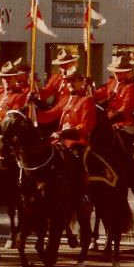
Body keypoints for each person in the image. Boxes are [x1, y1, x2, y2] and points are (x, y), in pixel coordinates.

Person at [33, 67, 96, 204]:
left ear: (81, 82)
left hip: (77, 142)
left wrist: (64, 133)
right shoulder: (65, 100)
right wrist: (33, 107)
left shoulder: (86, 101)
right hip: (59, 142)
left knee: (78, 161)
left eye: (74, 81)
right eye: (68, 81)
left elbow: (86, 126)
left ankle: (83, 194)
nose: (70, 84)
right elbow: (47, 116)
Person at [93, 54, 134, 131]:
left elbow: (125, 109)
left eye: (119, 72)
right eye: (116, 71)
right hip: (108, 120)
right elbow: (97, 95)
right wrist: (88, 88)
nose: (116, 73)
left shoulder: (132, 87)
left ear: (127, 72)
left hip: (124, 123)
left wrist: (108, 121)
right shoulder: (111, 83)